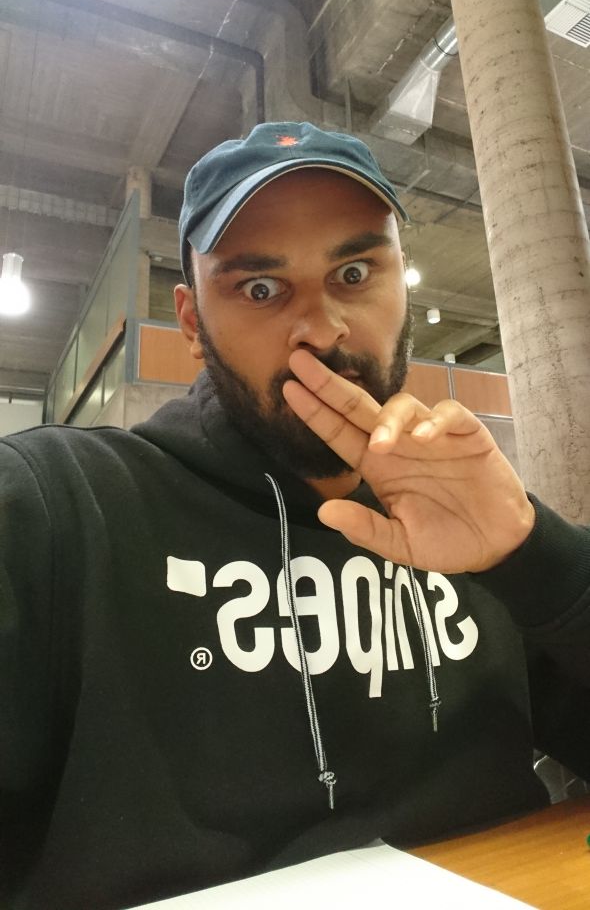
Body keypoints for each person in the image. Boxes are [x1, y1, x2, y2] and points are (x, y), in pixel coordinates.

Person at [1, 121, 589, 910]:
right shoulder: (55, 508)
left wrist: (537, 557)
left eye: (354, 272)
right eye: (260, 288)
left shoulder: (481, 524)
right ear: (191, 323)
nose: (321, 329)